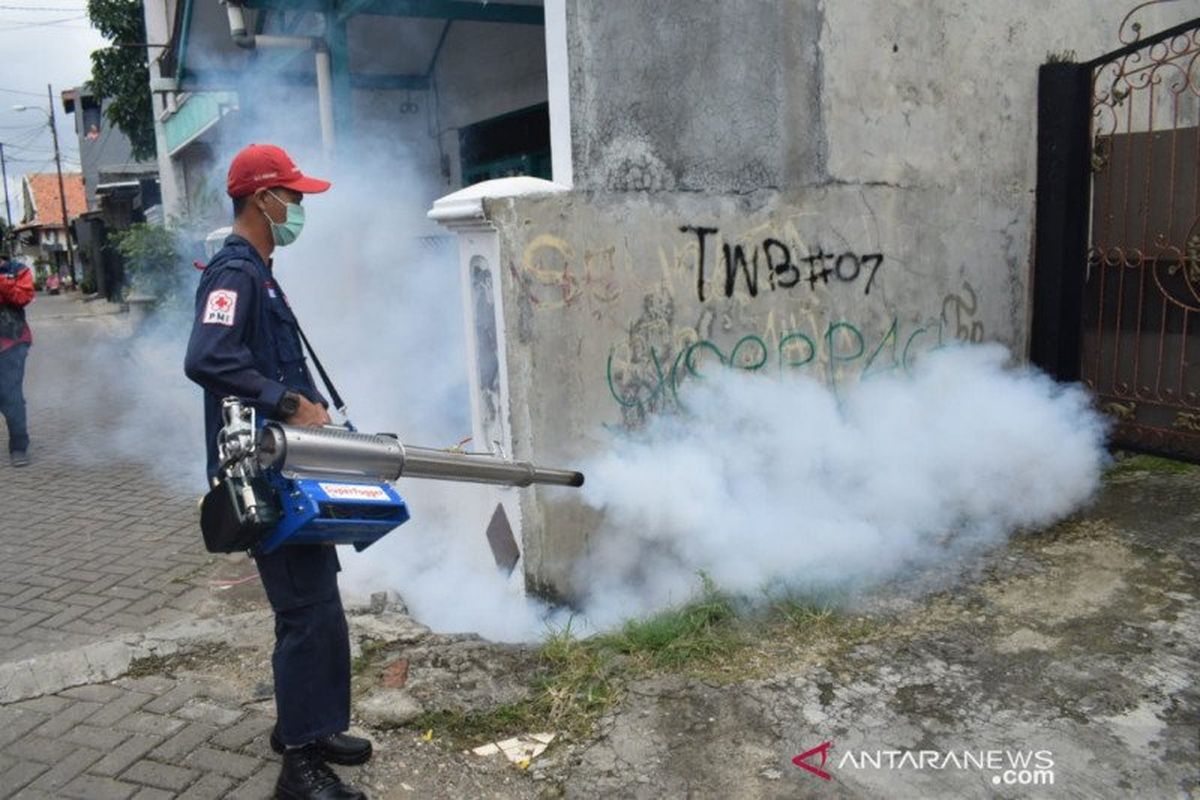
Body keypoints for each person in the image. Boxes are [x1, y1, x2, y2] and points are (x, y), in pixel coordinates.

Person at [184, 144, 370, 800]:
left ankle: (313, 726)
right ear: (262, 199)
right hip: (262, 474)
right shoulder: (233, 273)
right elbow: (207, 357)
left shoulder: (258, 269)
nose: (298, 207)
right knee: (305, 611)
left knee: (318, 602)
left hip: (289, 466)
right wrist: (288, 402)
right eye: (291, 196)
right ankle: (299, 766)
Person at [0, 253, 33, 467]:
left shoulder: (18, 270)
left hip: (12, 342)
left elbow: (22, 298)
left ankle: (19, 446)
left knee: (11, 395)